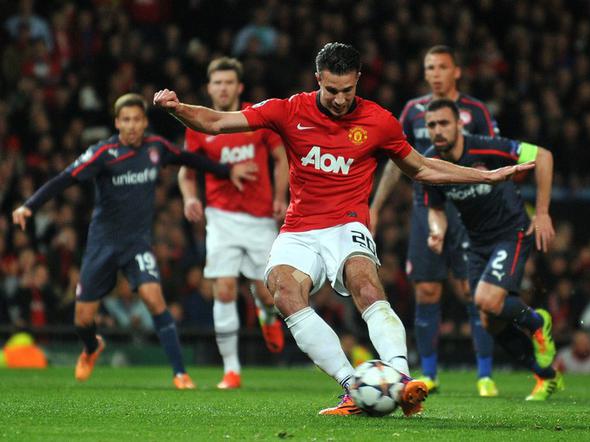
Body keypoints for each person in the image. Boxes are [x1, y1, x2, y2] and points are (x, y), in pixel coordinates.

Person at [153, 42, 533, 415]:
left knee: (364, 280)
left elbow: (422, 167)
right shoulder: (289, 110)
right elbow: (217, 122)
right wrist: (177, 109)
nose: (339, 99)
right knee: (283, 291)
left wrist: (488, 176)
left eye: (347, 90)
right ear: (318, 79)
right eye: (331, 90)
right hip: (300, 227)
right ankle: (353, 388)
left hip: (347, 223)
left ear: (358, 81)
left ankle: (401, 380)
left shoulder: (379, 121)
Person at [12, 93, 257, 388]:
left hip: (137, 244)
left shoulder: (155, 147)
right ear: (117, 123)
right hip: (102, 244)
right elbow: (65, 178)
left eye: (136, 119)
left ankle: (181, 374)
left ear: (144, 122)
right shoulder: (103, 153)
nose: (131, 125)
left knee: (155, 300)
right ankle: (92, 347)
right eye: (125, 120)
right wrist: (30, 205)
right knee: (82, 321)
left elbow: (188, 158)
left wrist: (227, 171)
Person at [370, 45, 500, 396]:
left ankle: (484, 375)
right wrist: (376, 206)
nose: (436, 73)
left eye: (443, 66)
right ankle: (429, 373)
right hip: (426, 208)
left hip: (469, 212)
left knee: (472, 292)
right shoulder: (413, 111)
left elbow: (493, 158)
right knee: (427, 289)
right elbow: (396, 162)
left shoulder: (476, 111)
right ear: (425, 73)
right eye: (430, 67)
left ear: (456, 71)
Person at [422, 99, 562, 400]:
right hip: (477, 243)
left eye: (444, 123)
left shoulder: (486, 147)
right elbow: (435, 209)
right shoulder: (430, 163)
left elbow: (544, 155)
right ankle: (546, 375)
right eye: (431, 125)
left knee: (486, 299)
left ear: (459, 124)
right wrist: (437, 231)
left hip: (511, 233)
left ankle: (538, 322)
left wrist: (541, 212)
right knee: (489, 319)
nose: (437, 130)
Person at [178, 56, 288, 390]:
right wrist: (190, 198)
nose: (223, 88)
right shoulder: (199, 123)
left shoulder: (254, 117)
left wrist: (282, 197)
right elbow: (186, 170)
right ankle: (231, 370)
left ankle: (266, 313)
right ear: (209, 88)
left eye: (229, 82)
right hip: (221, 218)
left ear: (239, 87)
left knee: (269, 294)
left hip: (259, 219)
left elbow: (281, 158)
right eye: (217, 83)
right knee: (223, 288)